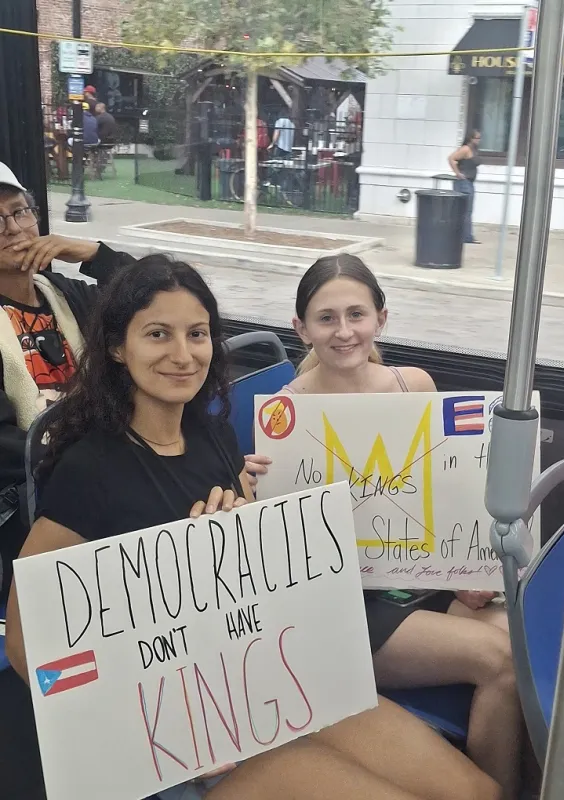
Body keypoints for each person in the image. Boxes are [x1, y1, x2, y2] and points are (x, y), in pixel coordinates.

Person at [5, 255, 500, 800]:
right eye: (157, 334)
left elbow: (241, 583)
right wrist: (130, 738)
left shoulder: (213, 434)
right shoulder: (91, 469)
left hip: (273, 678)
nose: (182, 354)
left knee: (479, 793)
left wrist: (243, 524)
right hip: (186, 729)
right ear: (118, 347)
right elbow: (29, 635)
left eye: (197, 334)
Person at [245, 254, 523, 800]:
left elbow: (442, 495)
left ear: (381, 319)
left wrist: (466, 571)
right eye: (326, 318)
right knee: (503, 662)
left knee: (525, 642)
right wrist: (251, 487)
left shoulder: (413, 385)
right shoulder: (282, 416)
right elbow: (276, 546)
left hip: (418, 577)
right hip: (345, 605)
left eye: (357, 314)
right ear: (301, 328)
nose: (344, 331)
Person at [0, 162, 134, 799]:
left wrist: (92, 253)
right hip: (27, 503)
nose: (13, 229)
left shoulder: (67, 296)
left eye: (20, 212)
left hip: (102, 476)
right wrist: (75, 454)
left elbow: (151, 298)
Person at [449, 130, 481, 244]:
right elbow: (451, 158)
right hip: (464, 182)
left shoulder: (474, 150)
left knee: (467, 210)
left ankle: (465, 235)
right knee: (465, 209)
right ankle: (466, 236)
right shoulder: (465, 149)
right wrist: (458, 173)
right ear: (470, 139)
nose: (479, 140)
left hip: (469, 182)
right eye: (477, 138)